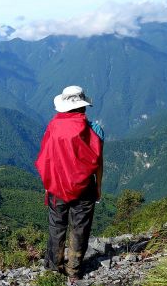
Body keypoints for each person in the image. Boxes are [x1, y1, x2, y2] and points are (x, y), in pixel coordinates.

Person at [35, 85, 104, 285]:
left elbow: (48, 159)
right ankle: (73, 270)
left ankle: (52, 268)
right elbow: (99, 162)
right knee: (79, 228)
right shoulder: (95, 130)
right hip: (85, 188)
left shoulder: (53, 128)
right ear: (84, 107)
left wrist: (48, 186)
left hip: (57, 187)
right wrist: (98, 186)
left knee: (56, 226)